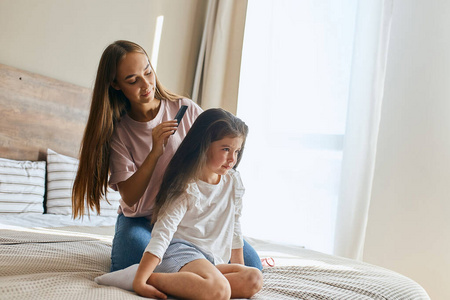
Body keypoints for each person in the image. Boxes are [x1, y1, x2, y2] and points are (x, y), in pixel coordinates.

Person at [71, 40, 262, 272]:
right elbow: (130, 198)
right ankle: (193, 275)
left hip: (187, 218)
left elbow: (219, 155)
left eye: (148, 72)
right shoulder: (119, 132)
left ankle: (196, 274)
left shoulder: (186, 109)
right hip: (142, 220)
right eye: (133, 80)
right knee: (131, 259)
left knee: (252, 265)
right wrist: (154, 152)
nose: (146, 84)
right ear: (115, 84)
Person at [96, 108, 263, 300]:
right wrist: (140, 281)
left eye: (237, 151)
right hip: (181, 251)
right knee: (220, 290)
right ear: (204, 145)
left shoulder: (233, 181)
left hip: (210, 258)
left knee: (254, 278)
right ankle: (142, 276)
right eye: (225, 149)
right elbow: (163, 233)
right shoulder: (187, 186)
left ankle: (196, 284)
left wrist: (239, 269)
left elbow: (234, 227)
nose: (232, 159)